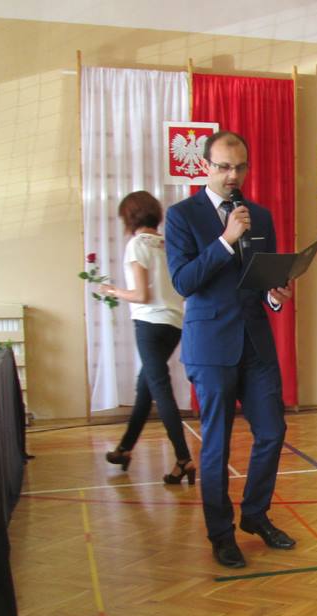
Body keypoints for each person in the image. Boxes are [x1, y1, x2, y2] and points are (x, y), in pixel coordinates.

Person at [164, 130, 296, 569]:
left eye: (239, 167)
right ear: (205, 166)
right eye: (223, 167)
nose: (232, 175)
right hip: (210, 346)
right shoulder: (181, 216)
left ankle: (255, 515)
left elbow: (261, 282)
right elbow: (183, 282)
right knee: (217, 445)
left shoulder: (261, 216)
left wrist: (275, 294)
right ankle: (220, 535)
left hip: (255, 342)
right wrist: (224, 240)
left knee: (272, 431)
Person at [100, 191, 195, 485]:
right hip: (174, 324)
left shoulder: (136, 245)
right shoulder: (167, 245)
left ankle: (184, 458)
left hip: (149, 324)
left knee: (160, 389)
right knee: (146, 387)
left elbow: (141, 295)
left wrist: (112, 291)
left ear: (129, 217)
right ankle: (125, 449)